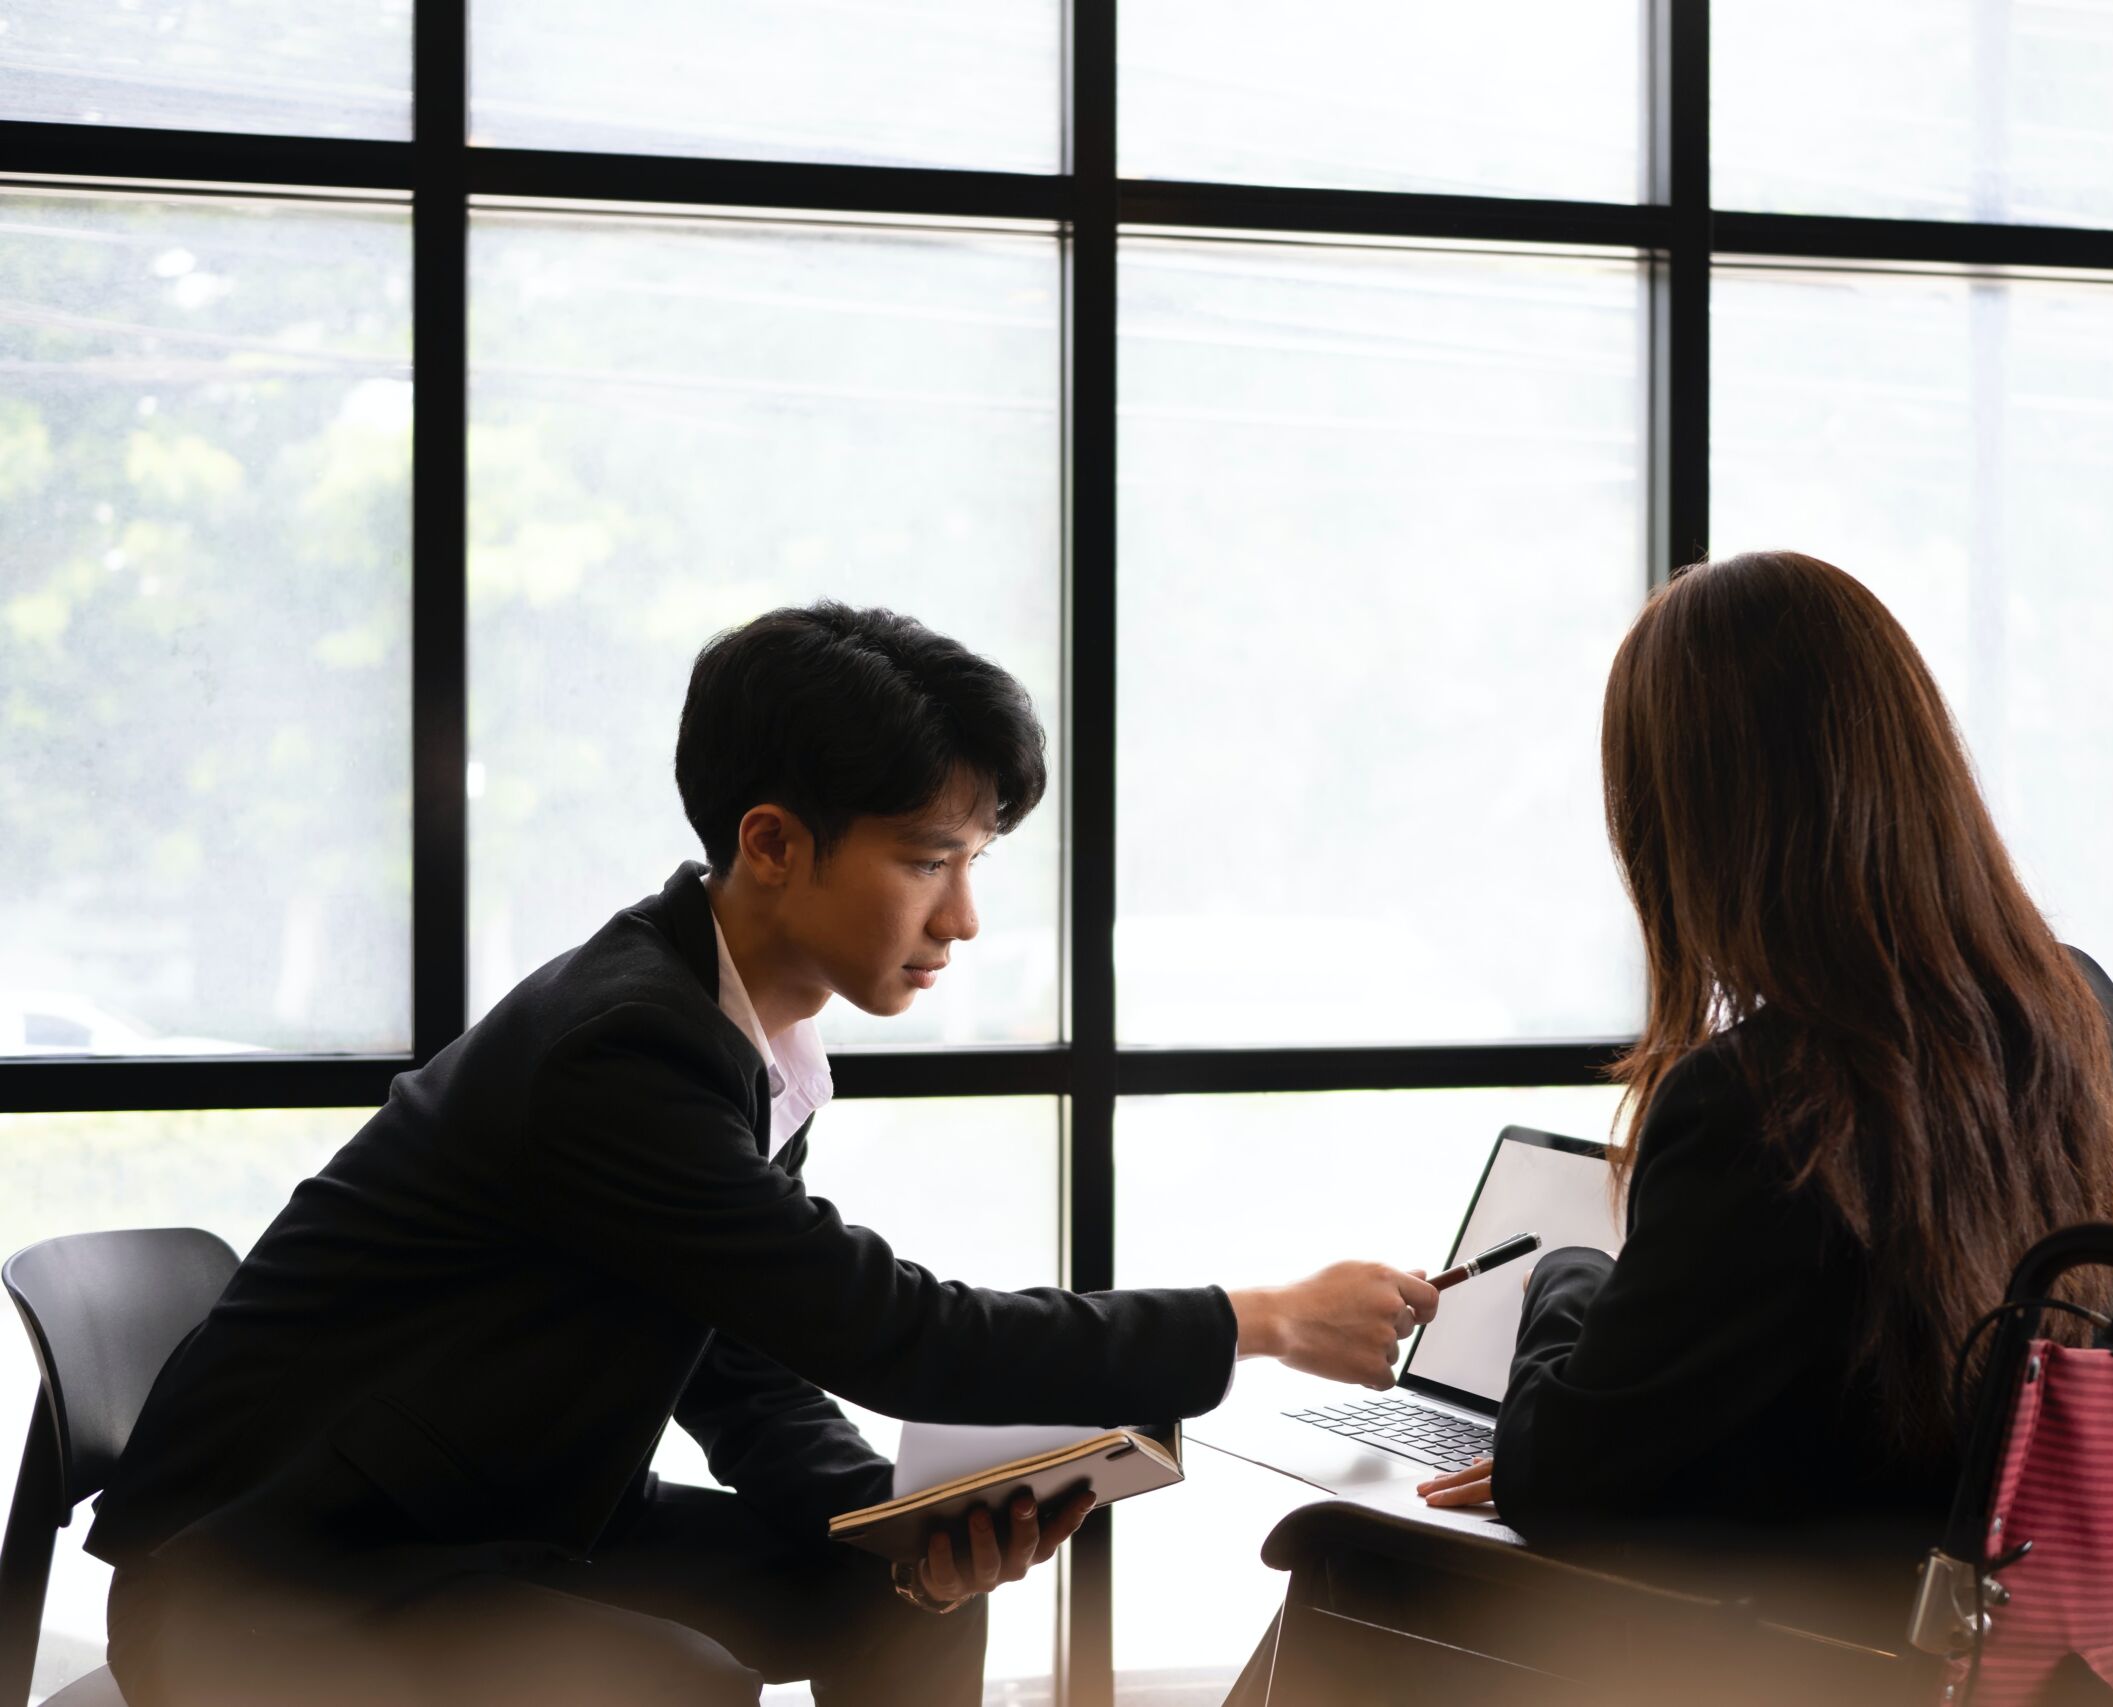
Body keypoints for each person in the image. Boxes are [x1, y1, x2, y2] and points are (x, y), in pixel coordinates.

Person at [89, 603, 1438, 1707]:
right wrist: (1261, 1319)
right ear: (774, 844)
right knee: (673, 1685)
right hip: (267, 1585)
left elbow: (736, 1356)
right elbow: (891, 1331)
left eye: (975, 861)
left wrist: (896, 1525)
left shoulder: (727, 1029)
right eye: (929, 860)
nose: (964, 917)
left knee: (898, 1594)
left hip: (482, 1524)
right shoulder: (625, 1048)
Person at [1415, 550, 2113, 1559]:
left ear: (1692, 826)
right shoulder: (2083, 1011)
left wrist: (1569, 1275)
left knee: (1344, 1558)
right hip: (2012, 1616)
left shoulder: (1752, 1099)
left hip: (1803, 1631)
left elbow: (1558, 1483)